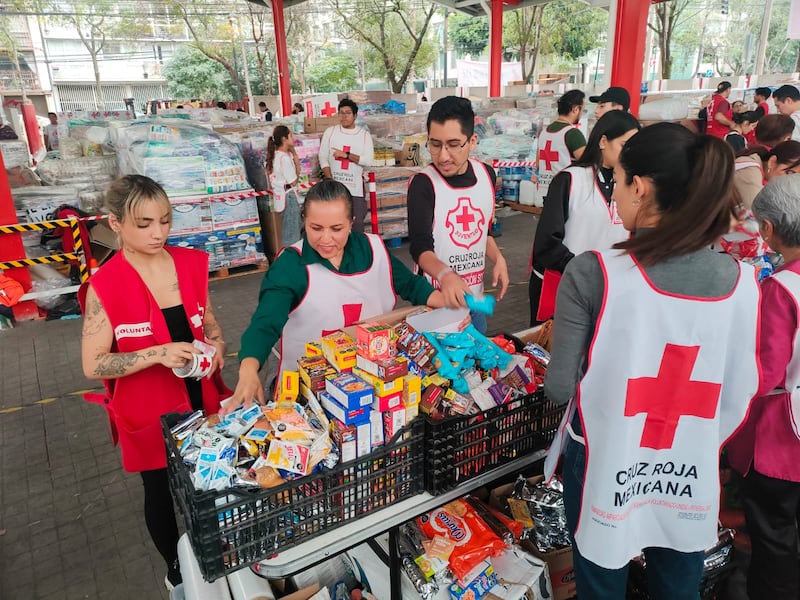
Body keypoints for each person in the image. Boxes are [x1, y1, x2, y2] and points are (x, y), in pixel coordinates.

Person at [543, 123, 760, 599]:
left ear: (639, 186)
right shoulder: (744, 283)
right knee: (678, 583)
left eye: (618, 181)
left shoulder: (593, 272)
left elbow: (560, 389)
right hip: (689, 461)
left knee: (602, 581)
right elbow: (741, 394)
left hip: (607, 460)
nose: (616, 196)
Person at [79, 175, 230, 591]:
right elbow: (93, 364)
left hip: (202, 394)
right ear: (115, 224)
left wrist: (215, 346)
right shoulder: (105, 287)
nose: (158, 233)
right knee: (161, 492)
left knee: (214, 477)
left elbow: (211, 324)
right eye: (144, 224)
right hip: (149, 409)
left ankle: (221, 550)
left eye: (165, 221)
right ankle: (176, 570)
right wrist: (157, 354)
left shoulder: (191, 264)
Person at [230, 179, 447, 406]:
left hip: (373, 383)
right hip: (308, 392)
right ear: (304, 221)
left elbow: (411, 285)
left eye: (336, 229)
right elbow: (266, 322)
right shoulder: (290, 265)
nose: (326, 239)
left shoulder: (374, 249)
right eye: (316, 228)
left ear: (351, 222)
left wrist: (447, 302)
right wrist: (249, 367)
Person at [727, 174, 800, 600]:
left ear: (768, 231)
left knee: (774, 540)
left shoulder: (781, 288)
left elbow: (764, 373)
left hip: (781, 441)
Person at [407, 95, 509, 334]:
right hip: (436, 303)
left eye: (453, 145)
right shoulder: (424, 184)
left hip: (475, 301)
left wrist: (498, 258)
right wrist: (446, 275)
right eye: (435, 144)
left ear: (472, 141)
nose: (443, 156)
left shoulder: (486, 176)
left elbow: (483, 231)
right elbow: (420, 248)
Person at [528, 110, 640, 325]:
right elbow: (546, 243)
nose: (630, 153)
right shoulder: (570, 180)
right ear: (603, 141)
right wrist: (585, 270)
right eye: (624, 145)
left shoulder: (633, 187)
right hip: (564, 284)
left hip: (608, 287)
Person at [319, 98, 374, 232]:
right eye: (341, 113)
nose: (344, 116)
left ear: (355, 115)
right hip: (335, 188)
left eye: (347, 113)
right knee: (334, 224)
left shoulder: (364, 135)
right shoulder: (330, 132)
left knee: (356, 224)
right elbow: (323, 157)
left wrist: (347, 155)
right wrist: (330, 179)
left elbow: (368, 160)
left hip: (355, 189)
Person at [536, 90, 587, 205]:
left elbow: (538, 163)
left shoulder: (544, 132)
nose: (582, 113)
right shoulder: (573, 134)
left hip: (546, 190)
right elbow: (587, 162)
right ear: (575, 109)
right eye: (582, 109)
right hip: (566, 192)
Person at [267, 125, 302, 246]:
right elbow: (293, 181)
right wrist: (297, 162)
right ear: (284, 139)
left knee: (289, 231)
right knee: (292, 235)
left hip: (281, 196)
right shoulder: (284, 159)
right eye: (290, 135)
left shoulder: (274, 156)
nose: (293, 138)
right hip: (289, 197)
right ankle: (292, 261)